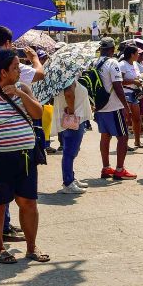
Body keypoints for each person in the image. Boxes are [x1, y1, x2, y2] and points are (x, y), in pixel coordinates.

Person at [0, 49, 49, 264]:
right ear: (3, 72)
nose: (19, 71)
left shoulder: (23, 88)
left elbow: (38, 113)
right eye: (15, 67)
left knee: (29, 203)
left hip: (25, 157)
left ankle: (31, 247)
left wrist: (21, 93)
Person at [92, 38, 136, 180]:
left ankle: (106, 168)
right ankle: (119, 169)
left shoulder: (93, 63)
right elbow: (118, 86)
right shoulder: (113, 63)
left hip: (99, 106)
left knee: (105, 136)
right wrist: (126, 106)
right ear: (112, 49)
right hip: (113, 106)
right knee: (123, 137)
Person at [52, 55, 93, 194]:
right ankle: (68, 182)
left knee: (71, 151)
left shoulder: (67, 78)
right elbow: (69, 94)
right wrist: (71, 111)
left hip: (74, 118)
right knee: (70, 152)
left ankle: (71, 178)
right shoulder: (67, 79)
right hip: (73, 119)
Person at [119, 45, 143, 149]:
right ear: (132, 54)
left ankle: (137, 141)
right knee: (127, 119)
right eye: (137, 53)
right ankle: (124, 144)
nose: (139, 55)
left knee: (137, 118)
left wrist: (141, 82)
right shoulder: (122, 65)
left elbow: (138, 77)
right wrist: (133, 81)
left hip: (135, 93)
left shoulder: (135, 64)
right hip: (126, 93)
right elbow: (119, 81)